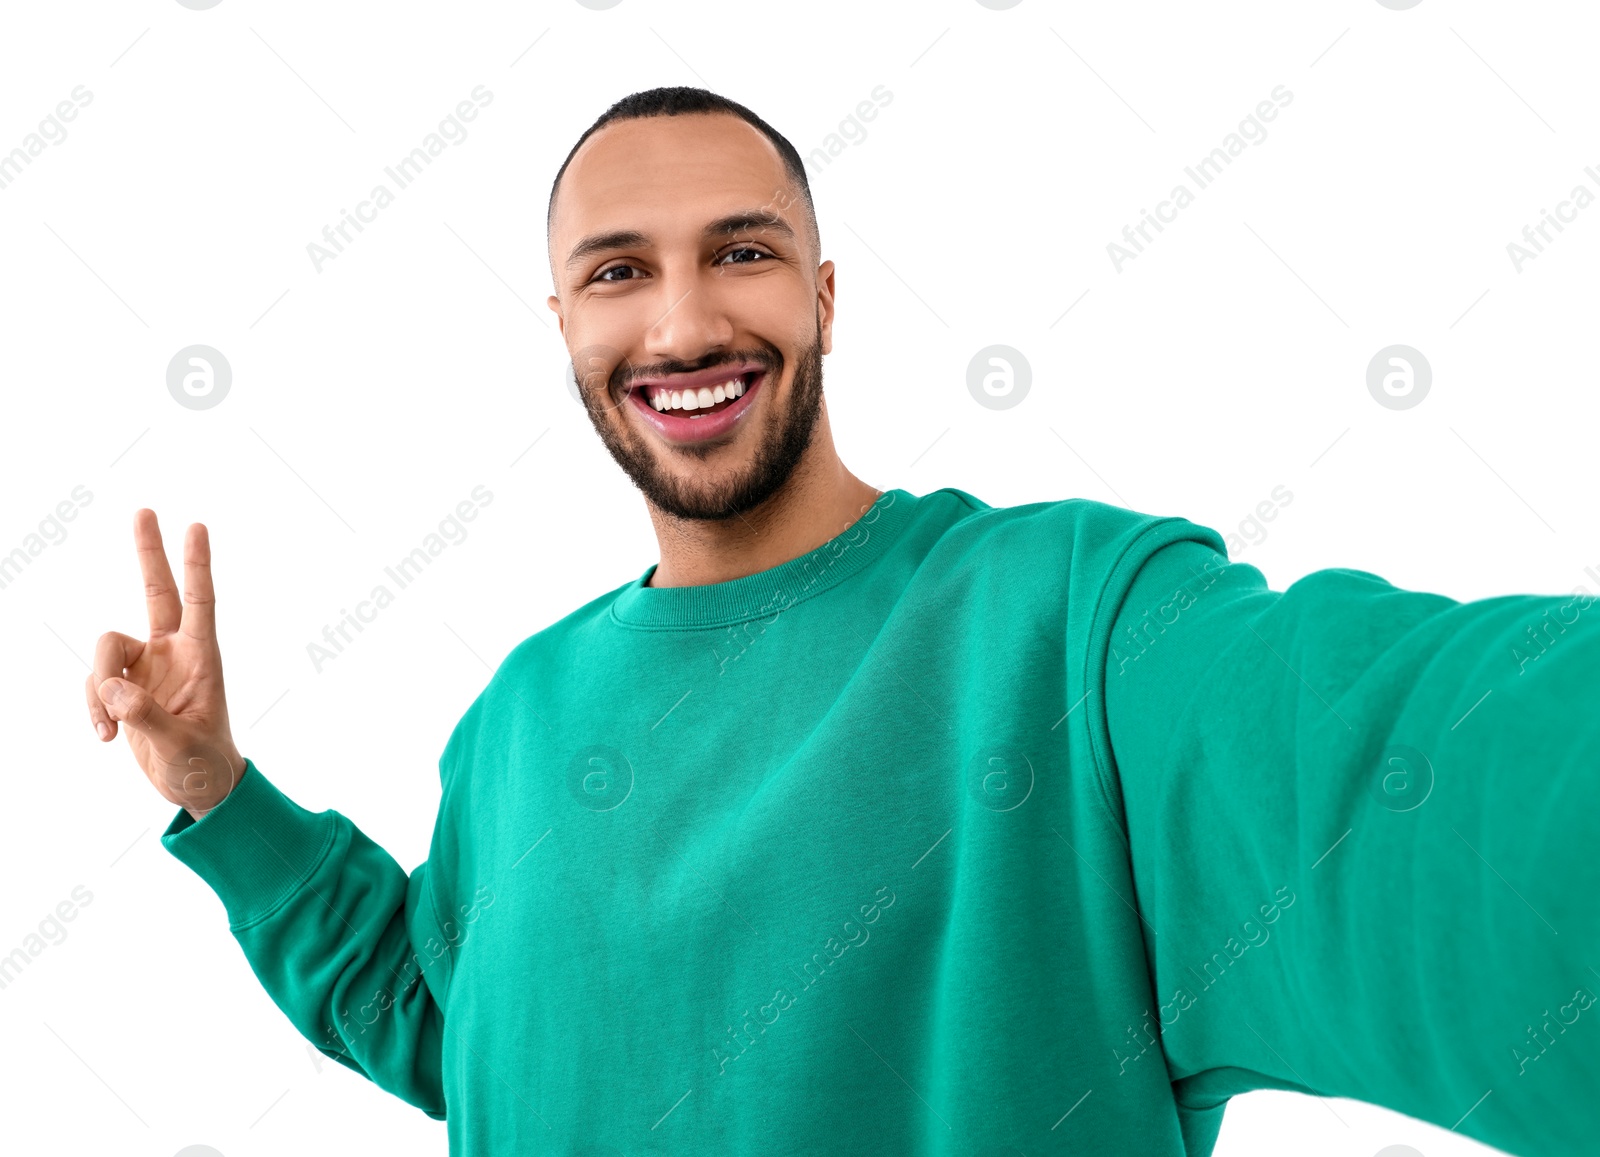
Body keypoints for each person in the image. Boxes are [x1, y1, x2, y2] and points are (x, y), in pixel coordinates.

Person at [85, 87, 1599, 1157]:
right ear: (564, 326)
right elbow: (456, 1023)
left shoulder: (1067, 630)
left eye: (740, 253)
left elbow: (1425, 786)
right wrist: (220, 792)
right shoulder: (515, 715)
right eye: (620, 273)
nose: (682, 325)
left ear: (821, 294)